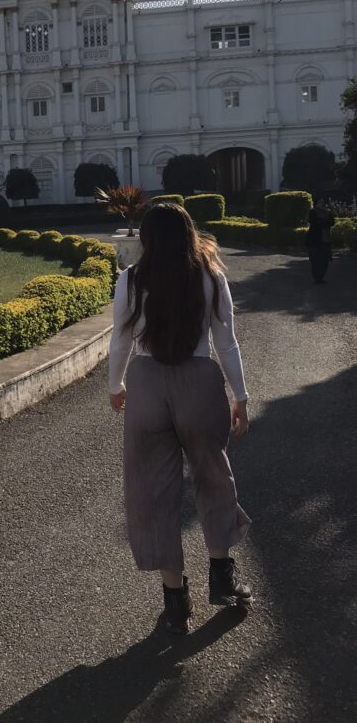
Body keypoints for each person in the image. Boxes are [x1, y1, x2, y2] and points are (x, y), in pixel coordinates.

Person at [107, 202, 252, 634]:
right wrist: (240, 396)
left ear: (146, 238)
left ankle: (175, 602)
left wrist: (115, 386)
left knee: (153, 491)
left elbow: (119, 341)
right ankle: (222, 579)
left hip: (148, 383)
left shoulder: (131, 280)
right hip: (200, 382)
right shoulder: (210, 277)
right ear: (189, 233)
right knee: (213, 478)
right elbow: (226, 343)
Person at [305, 197, 336, 283]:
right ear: (316, 204)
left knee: (325, 261)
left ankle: (320, 277)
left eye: (323, 202)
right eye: (320, 202)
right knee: (315, 261)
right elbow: (315, 223)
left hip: (325, 239)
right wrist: (325, 222)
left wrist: (331, 212)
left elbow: (332, 222)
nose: (323, 204)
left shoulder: (328, 212)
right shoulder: (313, 212)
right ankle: (317, 278)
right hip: (314, 240)